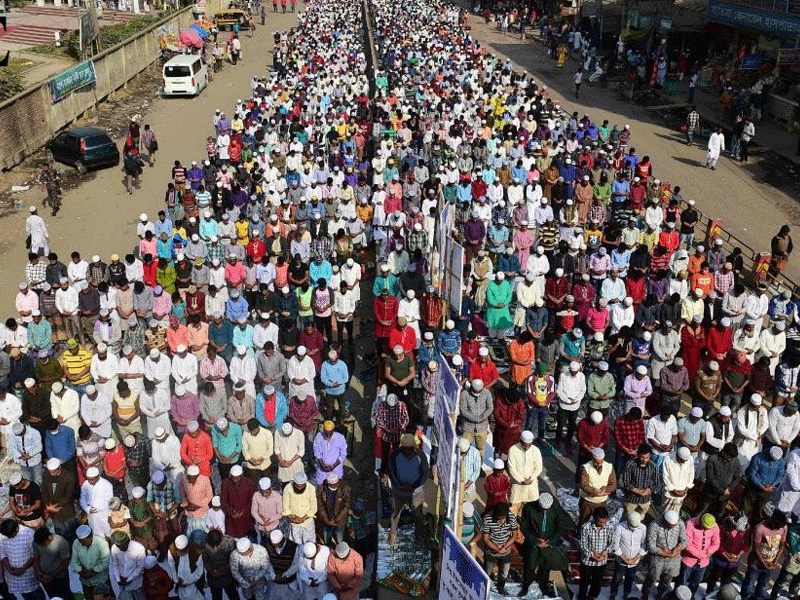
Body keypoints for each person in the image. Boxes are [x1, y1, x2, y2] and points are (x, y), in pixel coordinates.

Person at [641, 510, 687, 600]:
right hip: (657, 559)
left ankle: (660, 595)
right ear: (665, 522)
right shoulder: (654, 525)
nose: (674, 526)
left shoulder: (680, 523)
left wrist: (676, 549)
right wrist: (667, 554)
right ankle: (645, 594)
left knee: (667, 580)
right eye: (671, 525)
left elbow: (684, 541)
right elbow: (651, 546)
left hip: (673, 559)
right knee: (651, 578)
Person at [609, 510, 647, 600]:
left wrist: (635, 559)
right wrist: (624, 559)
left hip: (634, 561)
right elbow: (615, 545)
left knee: (630, 579)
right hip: (621, 560)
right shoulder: (620, 527)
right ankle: (613, 593)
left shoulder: (643, 528)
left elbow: (644, 545)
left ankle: (626, 594)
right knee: (617, 578)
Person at [577, 507, 614, 600]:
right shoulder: (586, 527)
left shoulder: (609, 527)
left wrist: (605, 552)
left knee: (597, 581)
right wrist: (592, 555)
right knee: (584, 581)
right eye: (600, 522)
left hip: (601, 561)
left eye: (604, 522)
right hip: (588, 561)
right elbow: (582, 544)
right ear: (595, 519)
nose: (602, 524)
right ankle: (582, 596)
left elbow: (612, 542)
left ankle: (592, 596)